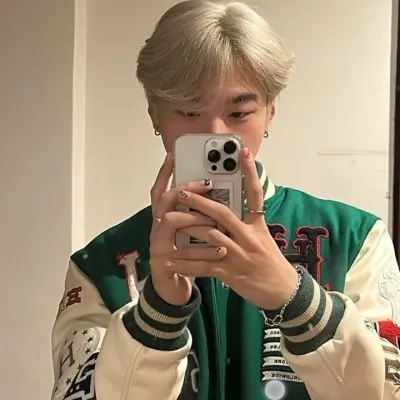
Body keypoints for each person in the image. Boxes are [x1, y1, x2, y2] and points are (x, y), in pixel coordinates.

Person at [51, 1, 400, 399]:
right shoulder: (99, 266)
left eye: (239, 113)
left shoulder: (354, 239)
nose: (215, 134)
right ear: (154, 113)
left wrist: (297, 298)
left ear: (270, 111)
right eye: (189, 111)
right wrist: (157, 313)